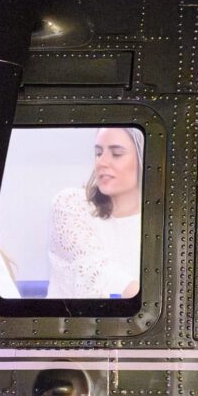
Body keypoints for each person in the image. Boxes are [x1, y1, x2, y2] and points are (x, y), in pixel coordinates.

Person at [46, 127, 144, 299]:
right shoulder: (69, 204)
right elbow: (96, 271)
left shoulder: (162, 221)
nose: (102, 162)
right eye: (98, 153)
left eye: (116, 154)